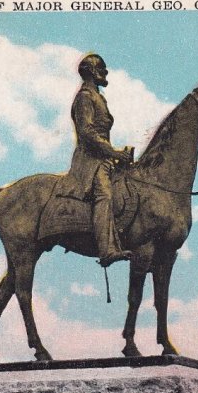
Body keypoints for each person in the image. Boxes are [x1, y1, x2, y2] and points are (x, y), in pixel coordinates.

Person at [60, 54, 133, 267]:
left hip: (103, 157)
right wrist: (114, 153)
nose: (106, 71)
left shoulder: (98, 97)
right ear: (92, 72)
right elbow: (87, 132)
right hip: (89, 160)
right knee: (104, 193)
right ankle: (107, 250)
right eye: (102, 68)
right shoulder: (84, 96)